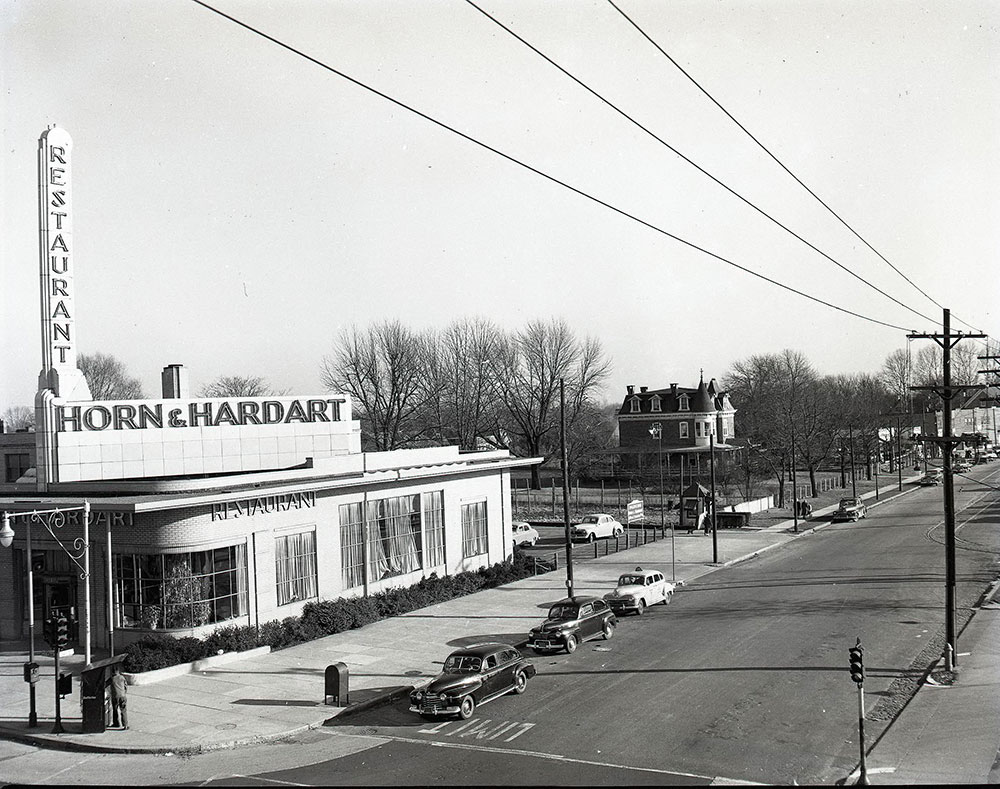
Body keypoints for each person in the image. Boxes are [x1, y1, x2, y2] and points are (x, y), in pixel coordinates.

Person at [110, 665, 128, 730]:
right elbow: (126, 686)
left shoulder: (112, 678)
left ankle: (116, 723)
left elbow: (105, 684)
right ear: (118, 671)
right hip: (122, 696)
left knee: (115, 710)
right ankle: (125, 725)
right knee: (123, 710)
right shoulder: (122, 677)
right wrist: (124, 692)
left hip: (115, 696)